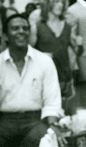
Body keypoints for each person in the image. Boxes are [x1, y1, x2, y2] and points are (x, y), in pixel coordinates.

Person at [0, 14, 66, 147]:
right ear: (6, 36)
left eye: (25, 28)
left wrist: (52, 126)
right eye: (15, 28)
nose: (21, 32)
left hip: (35, 122)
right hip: (4, 123)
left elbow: (52, 102)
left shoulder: (44, 61)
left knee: (49, 141)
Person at [30, 0, 83, 112]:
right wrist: (41, 56)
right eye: (56, 1)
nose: (60, 5)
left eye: (62, 2)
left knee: (65, 117)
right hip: (44, 80)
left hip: (65, 79)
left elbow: (78, 53)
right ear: (47, 4)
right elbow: (28, 54)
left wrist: (79, 45)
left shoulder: (68, 27)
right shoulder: (36, 27)